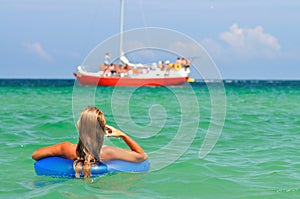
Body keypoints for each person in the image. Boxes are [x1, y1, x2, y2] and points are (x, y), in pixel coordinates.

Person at [32, 106, 148, 178]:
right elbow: (142, 156)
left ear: (80, 127)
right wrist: (123, 135)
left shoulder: (66, 149)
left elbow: (35, 155)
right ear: (102, 130)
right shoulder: (108, 153)